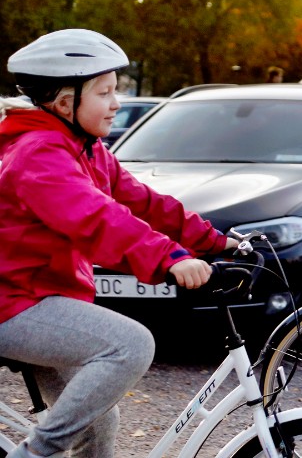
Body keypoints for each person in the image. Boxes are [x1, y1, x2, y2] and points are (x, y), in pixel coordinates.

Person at [0, 29, 239, 458]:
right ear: (63, 101)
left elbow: (143, 202)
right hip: (13, 303)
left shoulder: (85, 149)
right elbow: (97, 218)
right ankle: (32, 455)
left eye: (117, 91)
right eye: (105, 92)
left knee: (98, 417)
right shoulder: (39, 154)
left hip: (42, 297)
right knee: (130, 344)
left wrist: (215, 241)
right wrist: (169, 258)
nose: (116, 103)